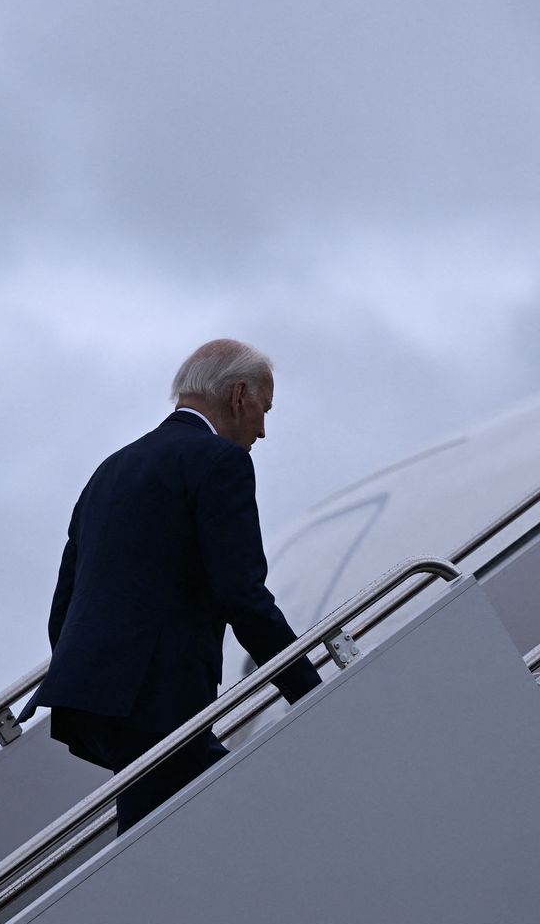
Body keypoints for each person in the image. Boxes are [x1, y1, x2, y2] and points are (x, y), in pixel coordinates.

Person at [20, 338, 322, 830]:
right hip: (157, 696)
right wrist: (310, 690)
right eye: (264, 410)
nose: (263, 430)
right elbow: (242, 595)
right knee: (220, 824)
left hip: (96, 697)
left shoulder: (111, 468)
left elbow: (65, 602)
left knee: (200, 814)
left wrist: (99, 674)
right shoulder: (220, 461)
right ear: (238, 395)